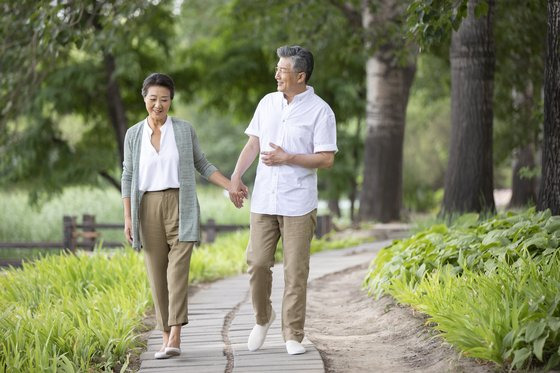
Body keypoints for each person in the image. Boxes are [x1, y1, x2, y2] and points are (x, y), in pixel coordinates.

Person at [121, 73, 242, 360]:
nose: (158, 105)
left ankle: (175, 334)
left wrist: (231, 185)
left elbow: (201, 163)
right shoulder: (133, 135)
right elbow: (127, 175)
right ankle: (165, 336)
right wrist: (127, 217)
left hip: (180, 203)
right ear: (144, 98)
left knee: (177, 270)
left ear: (171, 101)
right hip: (147, 206)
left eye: (164, 99)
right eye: (153, 99)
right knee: (156, 272)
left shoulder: (184, 130)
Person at [229, 45, 337, 355]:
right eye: (277, 69)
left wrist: (288, 157)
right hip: (264, 199)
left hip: (298, 203)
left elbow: (326, 159)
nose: (276, 74)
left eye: (283, 70)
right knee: (258, 263)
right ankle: (263, 317)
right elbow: (253, 144)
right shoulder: (267, 103)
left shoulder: (320, 111)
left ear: (300, 76)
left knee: (295, 270)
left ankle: (293, 334)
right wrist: (236, 176)